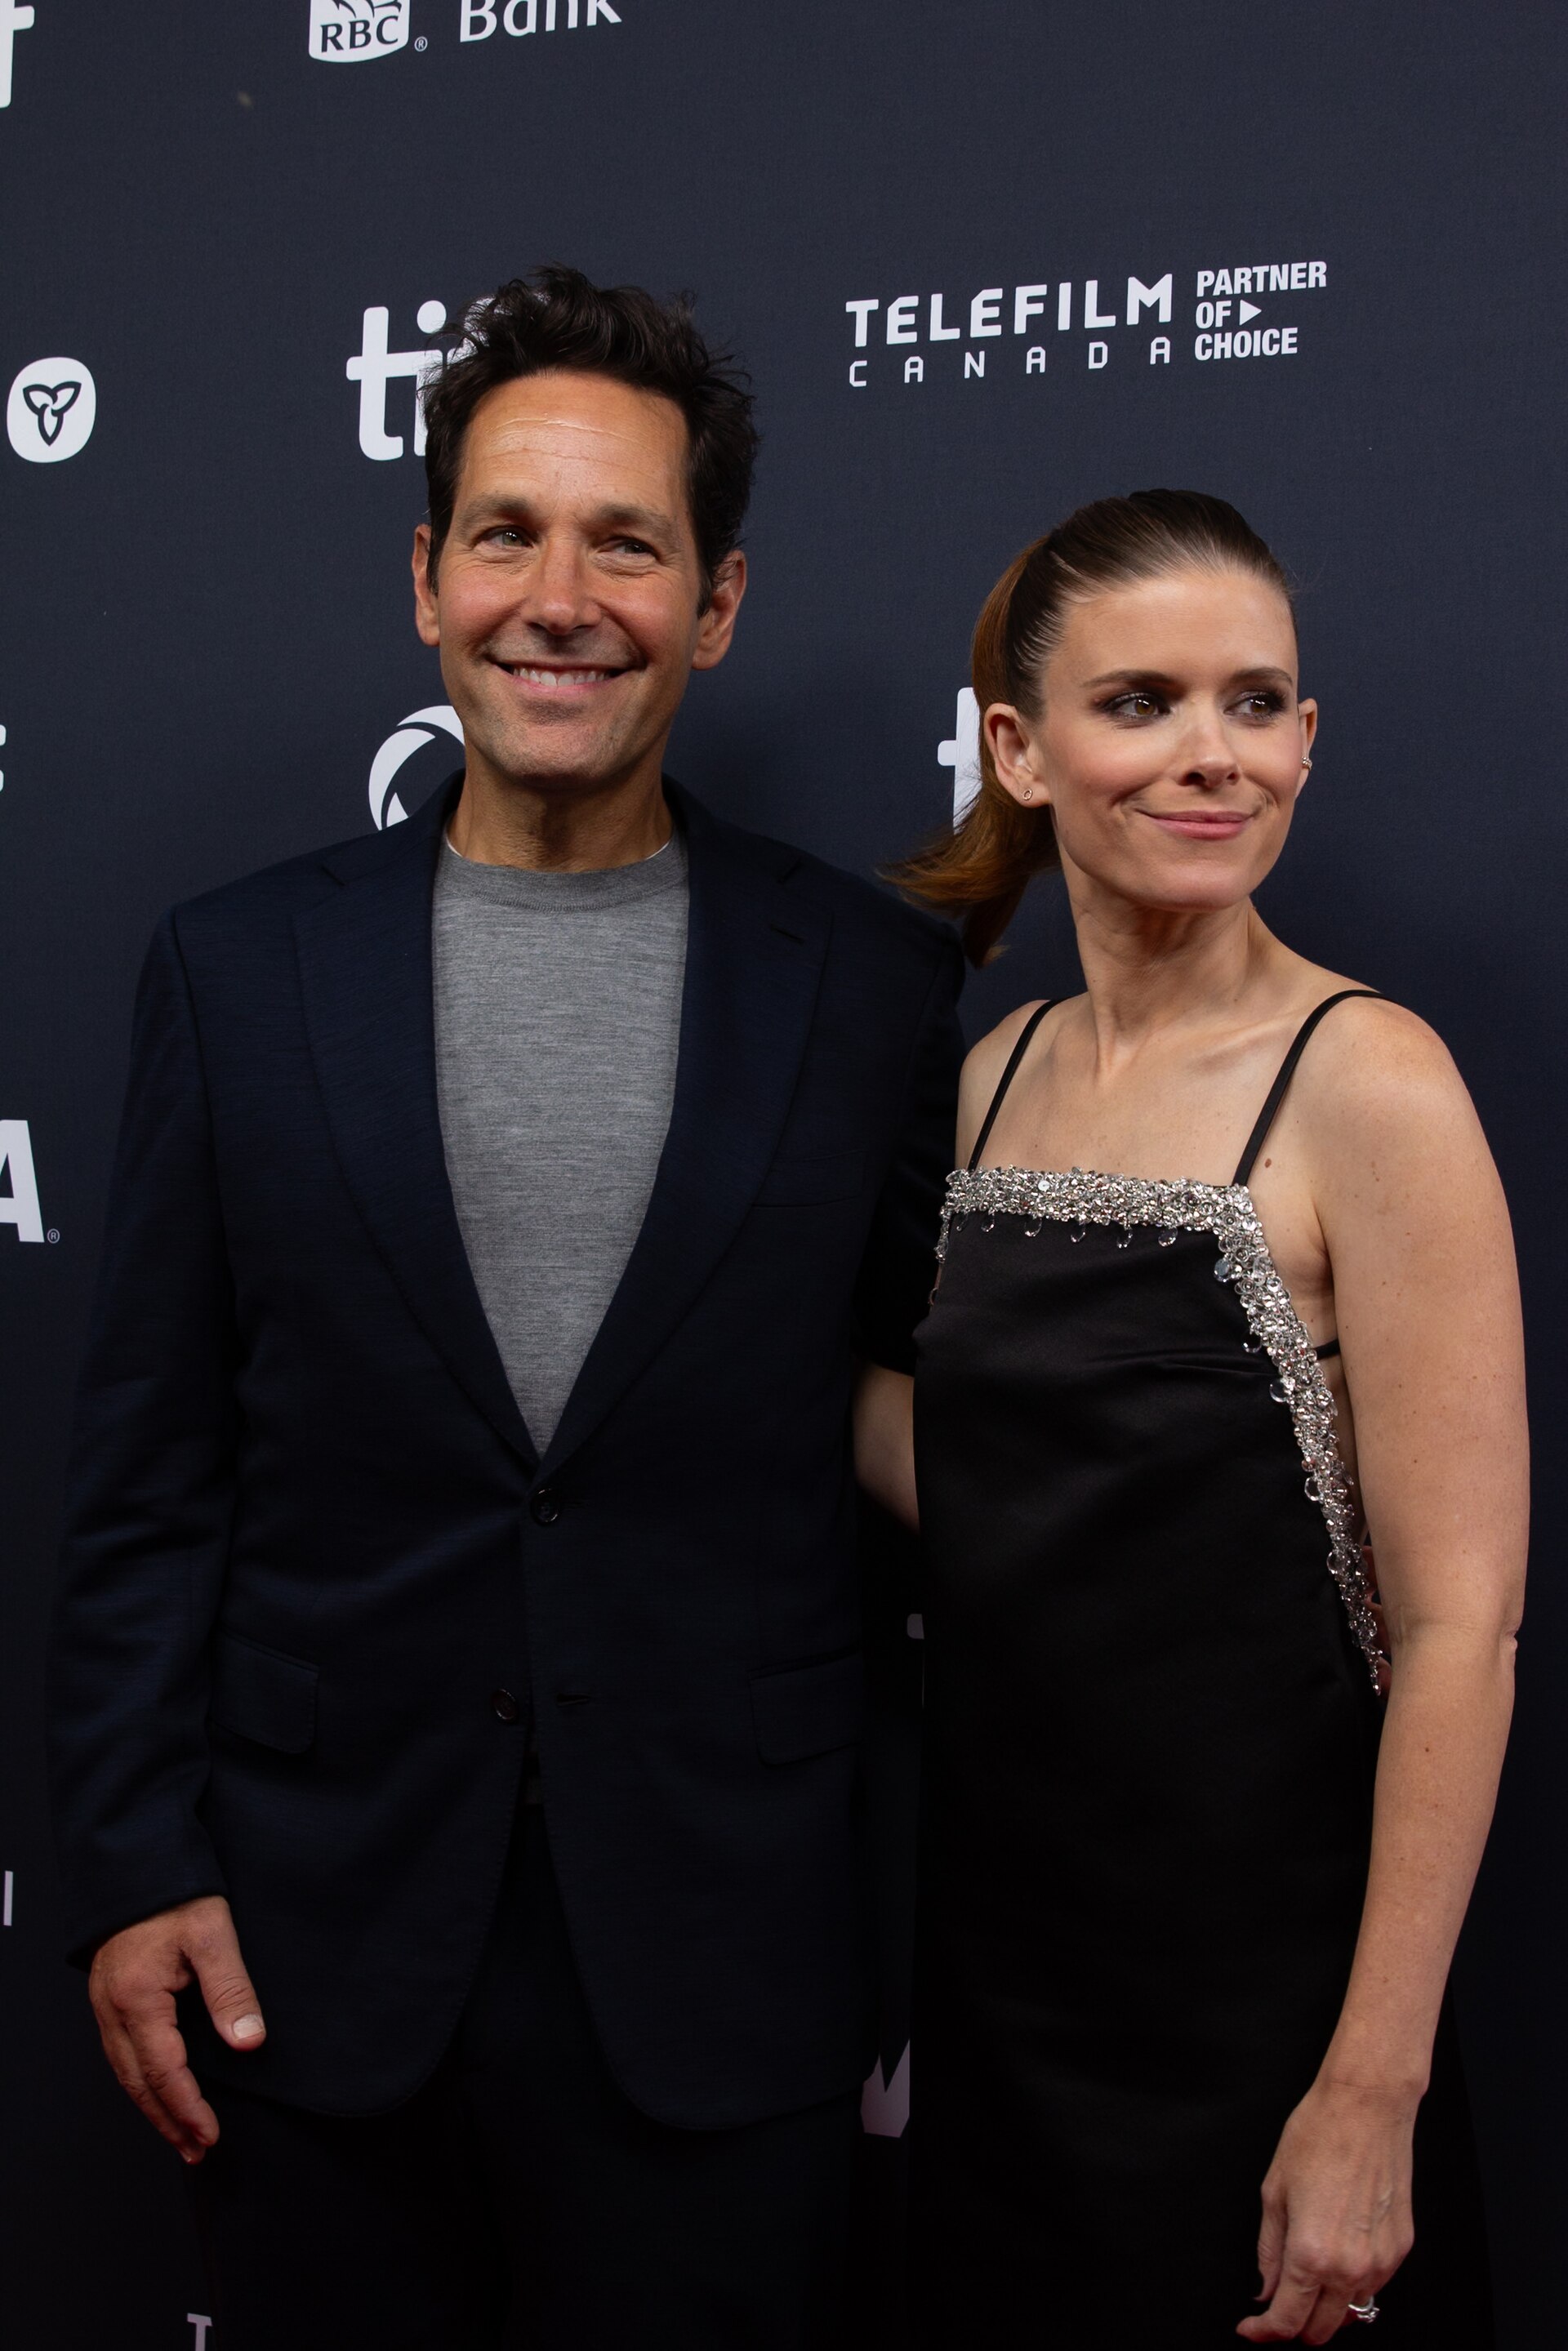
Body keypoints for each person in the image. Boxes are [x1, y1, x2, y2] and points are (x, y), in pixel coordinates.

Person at [48, 266, 963, 2350]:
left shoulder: (869, 988)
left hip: (728, 1962)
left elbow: (930, 1447)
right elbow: (147, 1477)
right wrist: (129, 1861)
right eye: (506, 535)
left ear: (715, 604)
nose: (562, 601)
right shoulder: (236, 973)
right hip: (309, 1954)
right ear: (425, 581)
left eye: (627, 544)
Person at [856, 491, 1526, 2346]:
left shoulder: (1370, 1081)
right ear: (1019, 749)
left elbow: (1462, 1629)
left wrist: (1370, 2089)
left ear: (1308, 735)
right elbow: (996, 1481)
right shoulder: (990, 1076)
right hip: (1006, 1986)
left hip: (1269, 2012)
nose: (1213, 753)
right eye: (1140, 702)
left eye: (1256, 701)